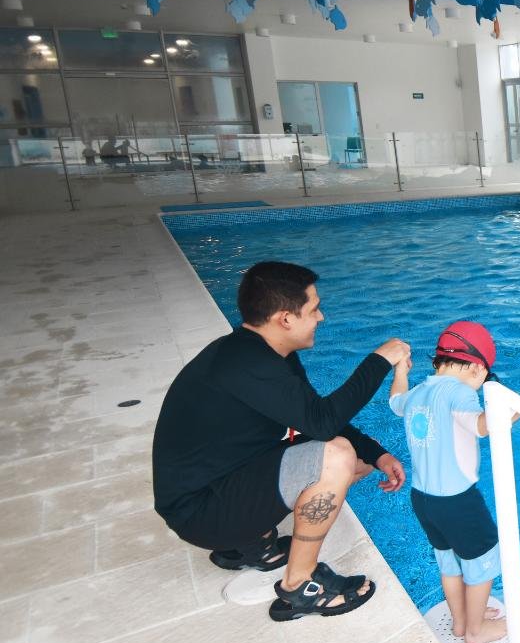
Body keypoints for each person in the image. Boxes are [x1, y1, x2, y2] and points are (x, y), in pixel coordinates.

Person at [152, 261, 410, 622]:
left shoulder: (257, 353)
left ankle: (253, 544)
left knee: (357, 456)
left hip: (215, 490)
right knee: (336, 457)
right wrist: (379, 361)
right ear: (285, 319)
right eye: (313, 309)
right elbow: (324, 423)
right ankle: (299, 586)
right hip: (201, 513)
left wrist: (379, 454)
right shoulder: (248, 364)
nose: (321, 317)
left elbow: (314, 417)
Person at [390, 321, 520, 643]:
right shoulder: (459, 393)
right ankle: (476, 631)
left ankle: (459, 622)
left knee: (449, 562)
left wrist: (401, 369)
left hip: (423, 499)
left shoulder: (417, 392)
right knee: (481, 563)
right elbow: (484, 426)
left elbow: (395, 400)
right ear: (478, 369)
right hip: (458, 502)